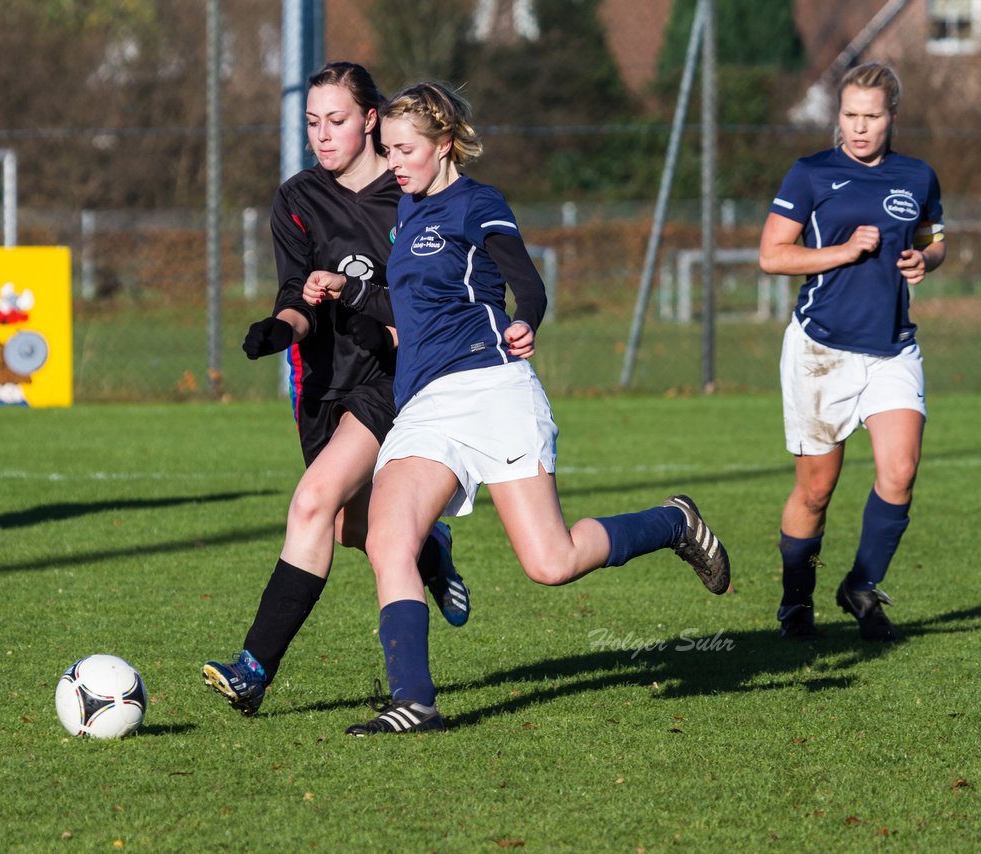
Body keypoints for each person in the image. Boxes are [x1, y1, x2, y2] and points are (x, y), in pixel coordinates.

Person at [306, 81, 730, 737]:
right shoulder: (408, 215)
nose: (394, 163)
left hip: (490, 389)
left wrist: (526, 318)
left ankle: (673, 522)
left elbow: (523, 280)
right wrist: (352, 295)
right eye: (387, 150)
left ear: (444, 143)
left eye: (405, 149)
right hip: (424, 407)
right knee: (390, 538)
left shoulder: (479, 203)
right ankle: (414, 701)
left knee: (551, 563)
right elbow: (409, 307)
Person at [201, 62, 470, 716]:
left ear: (371, 119)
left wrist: (380, 315)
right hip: (322, 382)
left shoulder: (410, 193)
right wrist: (281, 327)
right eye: (312, 123)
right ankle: (430, 547)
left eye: (338, 121)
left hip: (393, 380)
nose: (323, 136)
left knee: (311, 502)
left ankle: (253, 667)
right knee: (355, 524)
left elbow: (433, 299)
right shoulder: (296, 200)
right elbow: (298, 296)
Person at [758, 61, 944, 642]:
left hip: (891, 348)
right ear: (838, 115)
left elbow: (933, 237)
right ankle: (796, 601)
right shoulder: (810, 173)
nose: (859, 128)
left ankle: (862, 585)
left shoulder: (917, 176)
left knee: (901, 471)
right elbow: (772, 255)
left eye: (872, 117)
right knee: (816, 490)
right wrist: (842, 252)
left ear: (893, 117)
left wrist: (926, 260)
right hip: (821, 350)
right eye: (850, 116)